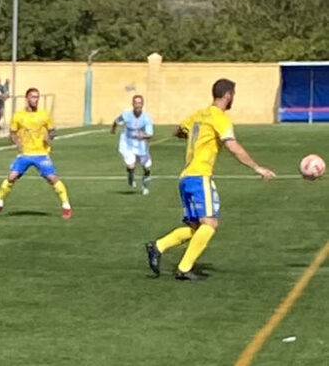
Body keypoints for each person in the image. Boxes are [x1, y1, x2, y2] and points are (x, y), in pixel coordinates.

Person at [145, 79, 276, 280]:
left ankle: (158, 246)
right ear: (228, 95)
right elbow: (232, 146)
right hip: (199, 176)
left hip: (186, 177)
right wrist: (257, 167)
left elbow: (178, 130)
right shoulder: (219, 118)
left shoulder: (199, 114)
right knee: (210, 223)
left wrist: (195, 138)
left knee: (196, 228)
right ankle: (184, 268)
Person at [0, 88, 72, 219]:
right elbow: (13, 133)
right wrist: (17, 143)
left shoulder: (44, 114)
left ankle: (66, 207)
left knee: (52, 178)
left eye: (37, 97)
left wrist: (49, 137)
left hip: (41, 153)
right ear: (27, 99)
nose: (35, 99)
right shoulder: (18, 115)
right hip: (25, 154)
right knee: (11, 177)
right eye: (33, 97)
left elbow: (53, 131)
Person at [111, 95, 154, 195]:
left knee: (147, 167)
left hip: (141, 145)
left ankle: (145, 186)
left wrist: (144, 136)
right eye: (136, 103)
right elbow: (117, 121)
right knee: (131, 165)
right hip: (127, 143)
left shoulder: (146, 118)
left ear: (142, 104)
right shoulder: (126, 115)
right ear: (133, 104)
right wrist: (113, 129)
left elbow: (150, 135)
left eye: (140, 103)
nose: (138, 105)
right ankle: (131, 175)